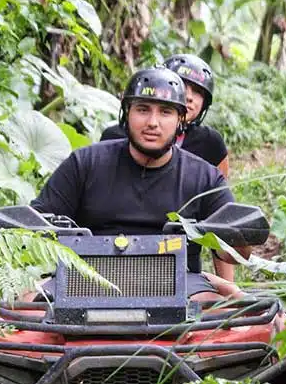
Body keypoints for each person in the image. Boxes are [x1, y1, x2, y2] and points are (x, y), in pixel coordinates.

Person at [31, 67, 248, 301]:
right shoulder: (84, 163)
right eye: (143, 110)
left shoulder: (205, 177)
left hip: (180, 282)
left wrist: (242, 235)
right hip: (83, 279)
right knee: (21, 305)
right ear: (127, 112)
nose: (153, 122)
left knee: (224, 313)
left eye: (165, 112)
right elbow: (30, 228)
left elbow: (236, 251)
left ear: (180, 120)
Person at [100, 54, 235, 282]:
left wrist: (229, 287)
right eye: (184, 86)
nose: (190, 96)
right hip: (113, 257)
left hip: (179, 262)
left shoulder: (210, 145)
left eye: (198, 91)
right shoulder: (112, 141)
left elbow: (219, 219)